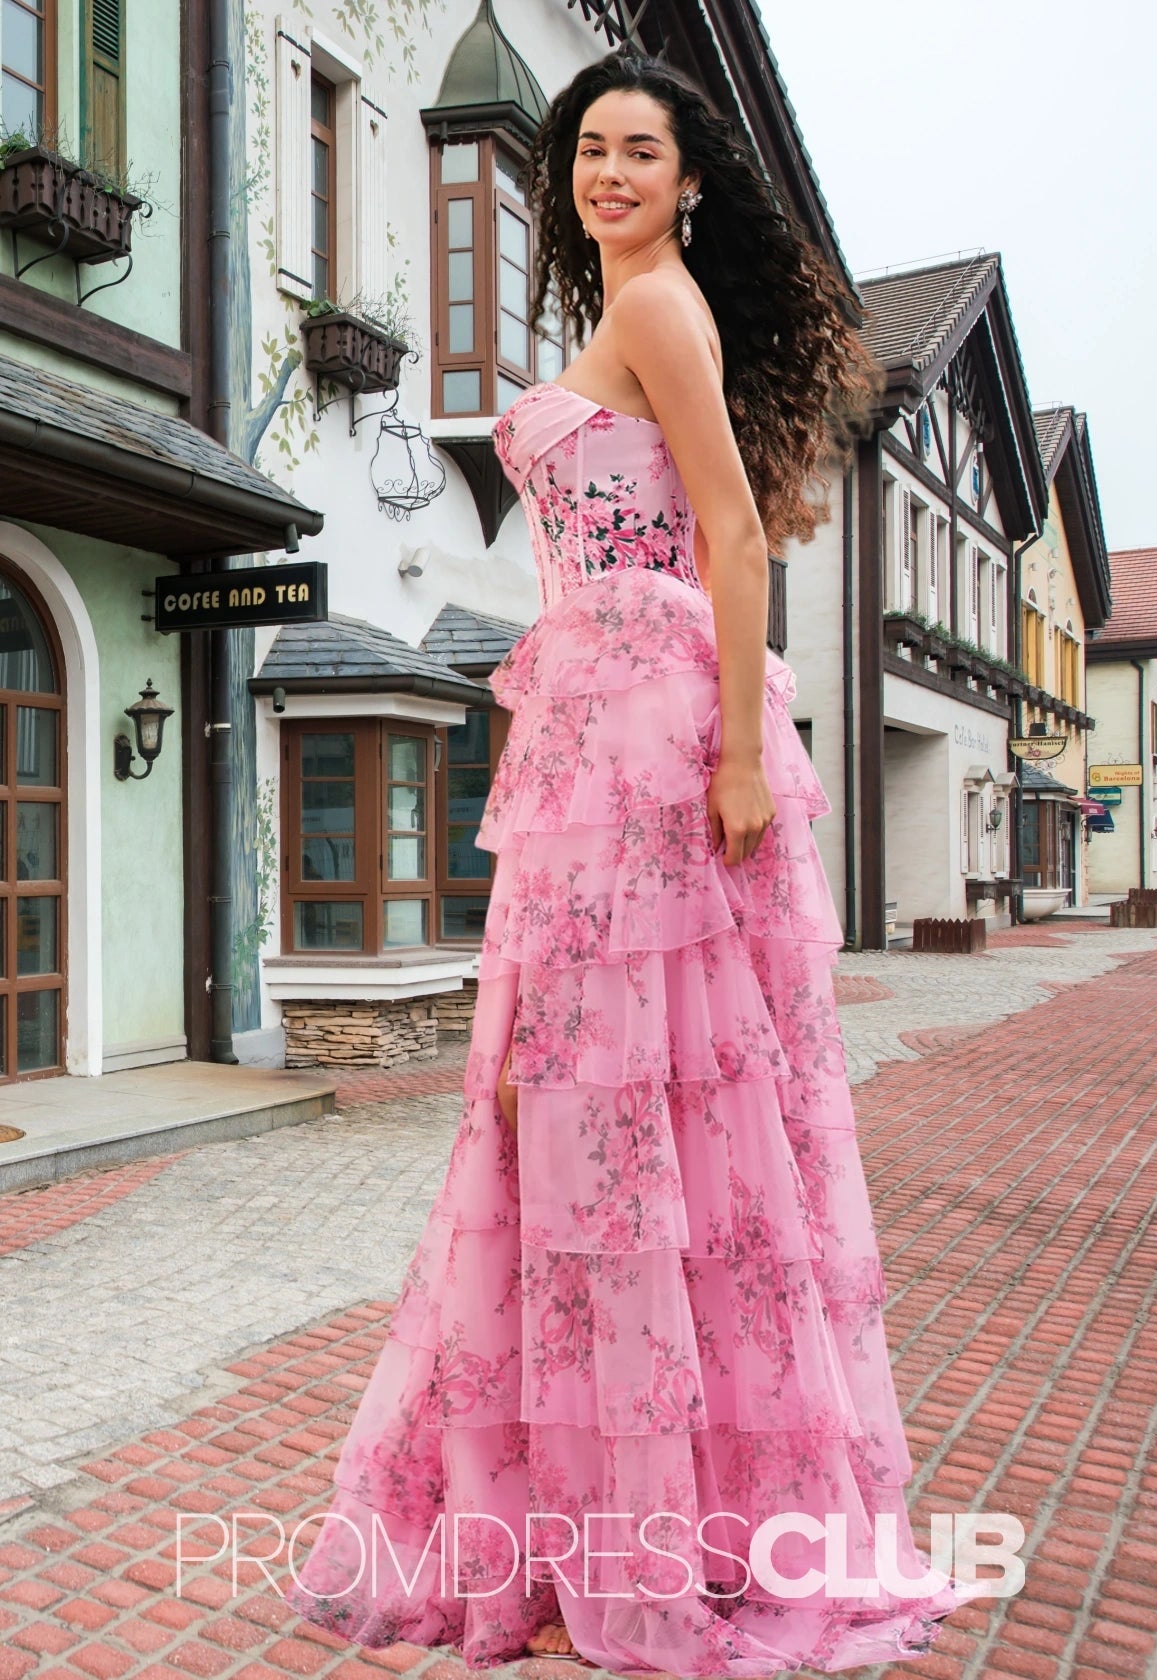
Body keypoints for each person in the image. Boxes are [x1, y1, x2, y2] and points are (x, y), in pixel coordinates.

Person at [284, 46, 993, 1675]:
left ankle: (650, 1536)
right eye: (590, 150)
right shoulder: (621, 307)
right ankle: (607, 1521)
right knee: (593, 1107)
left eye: (640, 152)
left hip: (647, 728)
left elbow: (735, 529)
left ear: (686, 183)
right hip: (589, 719)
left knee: (616, 1110)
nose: (610, 173)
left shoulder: (662, 303)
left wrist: (740, 749)